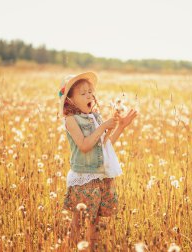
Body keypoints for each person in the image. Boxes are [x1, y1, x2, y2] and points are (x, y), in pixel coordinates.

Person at [58, 71, 137, 250]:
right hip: (83, 177)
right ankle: (69, 247)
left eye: (90, 92)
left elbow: (104, 145)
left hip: (101, 176)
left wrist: (121, 127)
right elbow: (85, 145)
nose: (89, 95)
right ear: (70, 99)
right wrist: (102, 127)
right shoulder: (71, 120)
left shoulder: (95, 117)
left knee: (94, 222)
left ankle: (92, 248)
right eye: (83, 93)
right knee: (77, 221)